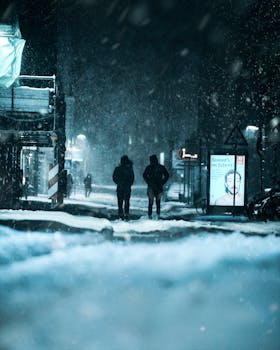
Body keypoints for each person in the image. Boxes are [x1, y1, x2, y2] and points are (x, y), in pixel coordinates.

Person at [143, 154, 169, 219]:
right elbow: (166, 175)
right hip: (158, 186)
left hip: (151, 187)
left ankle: (150, 214)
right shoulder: (160, 167)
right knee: (158, 202)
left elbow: (144, 175)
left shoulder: (149, 167)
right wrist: (162, 182)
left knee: (151, 202)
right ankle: (158, 214)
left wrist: (148, 181)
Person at [112, 155, 134, 220]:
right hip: (127, 187)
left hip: (120, 187)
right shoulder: (129, 169)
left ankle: (121, 214)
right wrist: (129, 184)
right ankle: (126, 213)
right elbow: (132, 178)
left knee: (120, 201)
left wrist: (118, 183)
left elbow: (114, 177)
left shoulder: (118, 168)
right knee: (126, 201)